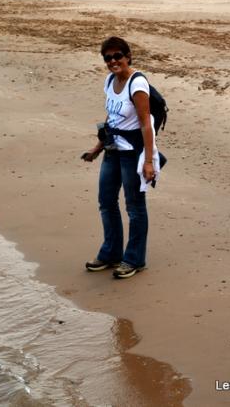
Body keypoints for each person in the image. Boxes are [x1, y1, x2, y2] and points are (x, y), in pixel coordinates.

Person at [81, 36, 157, 279]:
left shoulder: (138, 84)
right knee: (106, 202)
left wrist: (147, 161)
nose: (113, 61)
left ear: (128, 56)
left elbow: (146, 124)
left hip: (132, 153)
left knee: (134, 207)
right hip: (112, 150)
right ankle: (111, 253)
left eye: (117, 56)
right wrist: (97, 148)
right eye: (108, 58)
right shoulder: (109, 80)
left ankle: (134, 259)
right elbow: (112, 120)